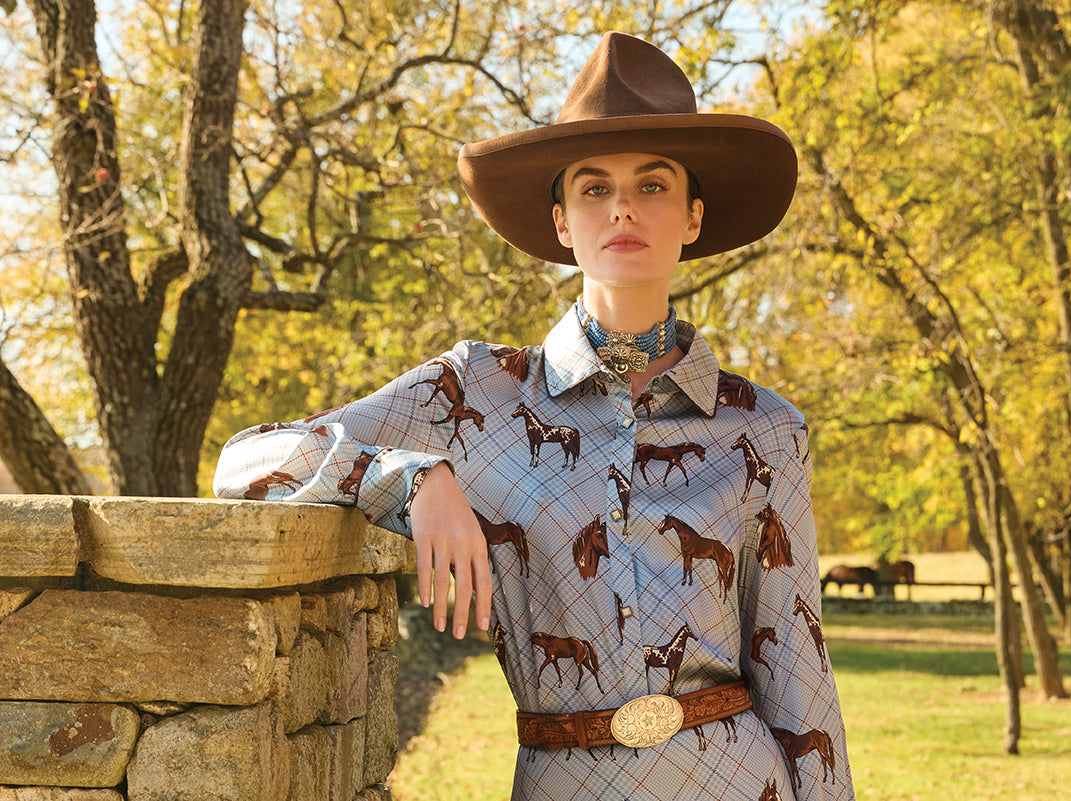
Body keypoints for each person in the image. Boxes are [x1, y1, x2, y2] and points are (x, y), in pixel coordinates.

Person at [214, 31, 855, 801]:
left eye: (652, 186)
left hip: (738, 779)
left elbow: (798, 669)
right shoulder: (474, 392)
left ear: (691, 216)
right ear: (561, 222)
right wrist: (409, 478)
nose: (622, 206)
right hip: (562, 778)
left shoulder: (765, 428)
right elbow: (245, 464)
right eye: (594, 187)